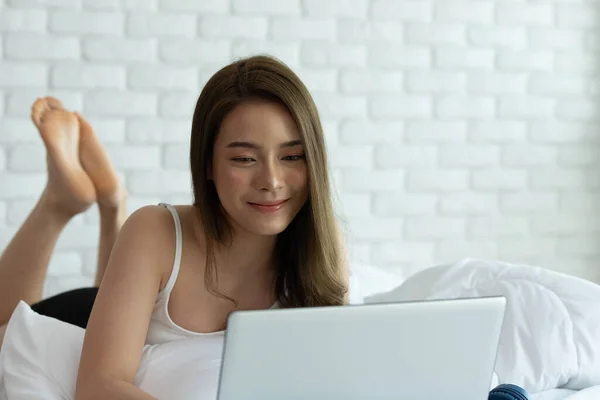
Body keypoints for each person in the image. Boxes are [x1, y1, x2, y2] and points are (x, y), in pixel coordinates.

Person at [0, 54, 350, 399]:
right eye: (244, 159)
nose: (271, 182)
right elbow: (97, 387)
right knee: (8, 331)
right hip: (84, 315)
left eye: (292, 156)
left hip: (129, 300)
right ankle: (60, 203)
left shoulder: (324, 240)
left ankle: (111, 204)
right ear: (207, 164)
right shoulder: (156, 229)